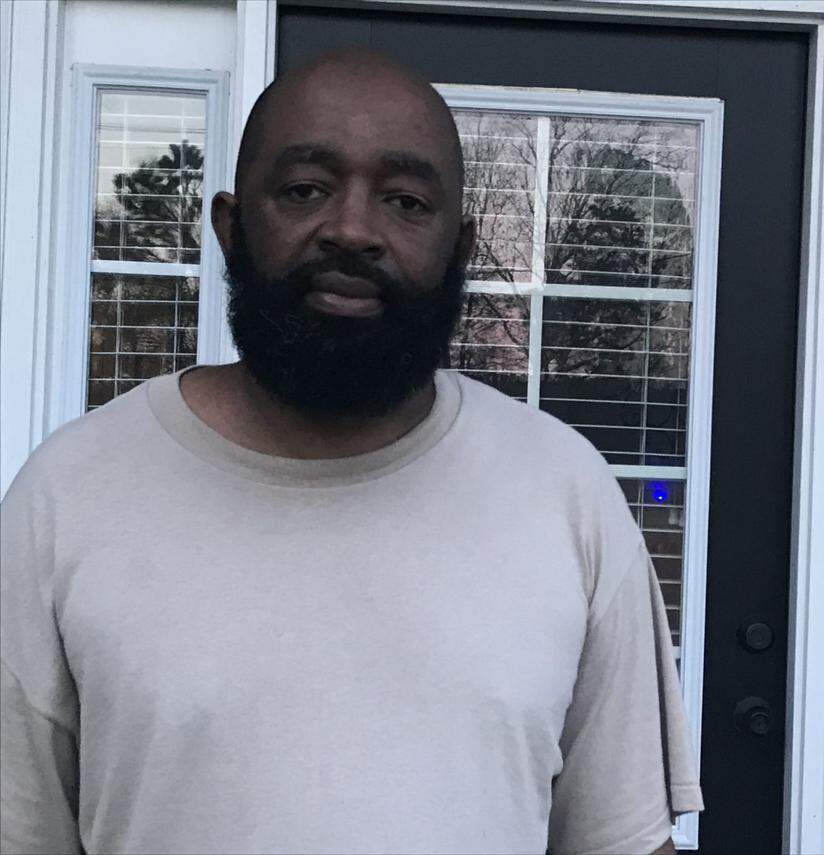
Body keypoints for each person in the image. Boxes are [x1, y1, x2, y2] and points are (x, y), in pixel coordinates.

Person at [0, 49, 703, 855]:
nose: (352, 229)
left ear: (462, 247)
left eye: (406, 201)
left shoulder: (564, 492)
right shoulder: (68, 495)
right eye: (305, 190)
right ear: (230, 226)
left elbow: (624, 840)